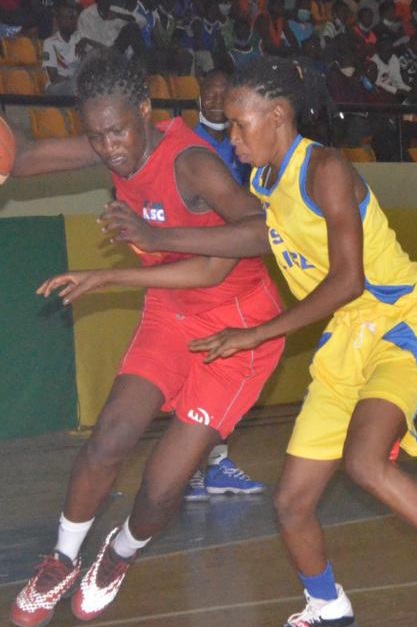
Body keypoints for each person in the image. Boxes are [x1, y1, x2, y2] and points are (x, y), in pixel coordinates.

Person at [103, 56, 417, 627]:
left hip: (404, 320)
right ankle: (327, 609)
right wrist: (157, 238)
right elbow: (246, 240)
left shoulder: (326, 169)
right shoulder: (265, 184)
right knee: (291, 502)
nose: (232, 139)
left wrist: (257, 334)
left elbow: (347, 280)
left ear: (277, 116)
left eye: (239, 125)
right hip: (347, 340)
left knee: (364, 462)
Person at [0, 53, 287, 627]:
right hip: (172, 309)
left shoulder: (193, 163)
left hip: (237, 328)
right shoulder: (109, 143)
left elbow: (263, 233)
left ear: (144, 111)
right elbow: (16, 158)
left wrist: (153, 238)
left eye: (117, 131)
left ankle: (120, 553)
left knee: (163, 487)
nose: (109, 148)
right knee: (109, 439)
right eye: (96, 136)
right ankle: (60, 560)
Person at [185, 68, 267, 502]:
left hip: (238, 262)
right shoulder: (186, 143)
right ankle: (191, 467)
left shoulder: (245, 140)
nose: (216, 98)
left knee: (227, 360)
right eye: (210, 92)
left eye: (224, 92)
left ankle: (214, 463)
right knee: (197, 362)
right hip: (198, 263)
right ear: (199, 96)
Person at [42, 2, 84, 96]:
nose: (70, 21)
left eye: (72, 18)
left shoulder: (81, 40)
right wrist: (74, 82)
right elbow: (53, 76)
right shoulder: (49, 42)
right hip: (56, 86)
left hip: (76, 85)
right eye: (65, 18)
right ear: (58, 21)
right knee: (75, 89)